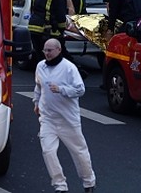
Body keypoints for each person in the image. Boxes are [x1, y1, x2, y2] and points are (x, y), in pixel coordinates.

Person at [33, 38, 96, 193]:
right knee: (48, 151)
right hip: (48, 119)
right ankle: (60, 185)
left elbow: (80, 90)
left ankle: (89, 182)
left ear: (59, 50)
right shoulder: (40, 66)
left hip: (68, 119)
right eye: (45, 50)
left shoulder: (69, 68)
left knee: (79, 151)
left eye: (50, 50)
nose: (46, 53)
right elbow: (38, 86)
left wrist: (61, 89)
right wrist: (36, 103)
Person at [28, 0, 69, 64]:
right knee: (56, 56)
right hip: (47, 29)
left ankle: (42, 74)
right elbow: (60, 12)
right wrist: (62, 28)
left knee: (40, 55)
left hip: (33, 27)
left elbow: (32, 8)